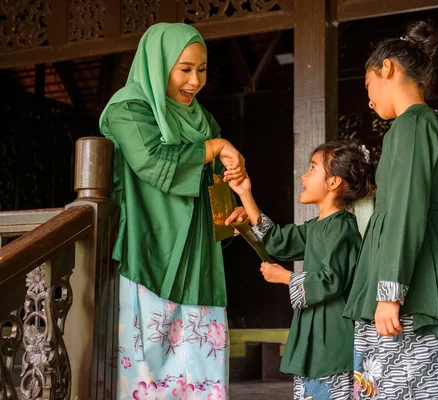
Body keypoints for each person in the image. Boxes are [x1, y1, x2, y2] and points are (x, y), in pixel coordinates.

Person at [99, 22, 246, 399]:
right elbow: (151, 160)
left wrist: (231, 208)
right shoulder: (128, 108)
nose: (195, 81)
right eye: (184, 69)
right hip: (148, 252)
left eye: (202, 69)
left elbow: (216, 188)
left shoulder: (203, 121)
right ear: (158, 63)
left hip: (198, 258)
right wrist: (213, 149)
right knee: (147, 369)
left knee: (201, 368)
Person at [342, 20, 438, 399]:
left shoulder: (411, 125)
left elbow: (405, 209)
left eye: (368, 86)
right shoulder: (426, 124)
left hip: (411, 286)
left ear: (387, 68)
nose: (369, 100)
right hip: (418, 275)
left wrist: (389, 293)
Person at [229, 142, 373, 399]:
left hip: (333, 333)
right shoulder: (317, 226)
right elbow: (277, 240)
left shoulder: (342, 227)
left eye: (312, 169)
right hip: (315, 329)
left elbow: (331, 280)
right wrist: (245, 193)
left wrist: (285, 277)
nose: (303, 176)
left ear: (333, 183)